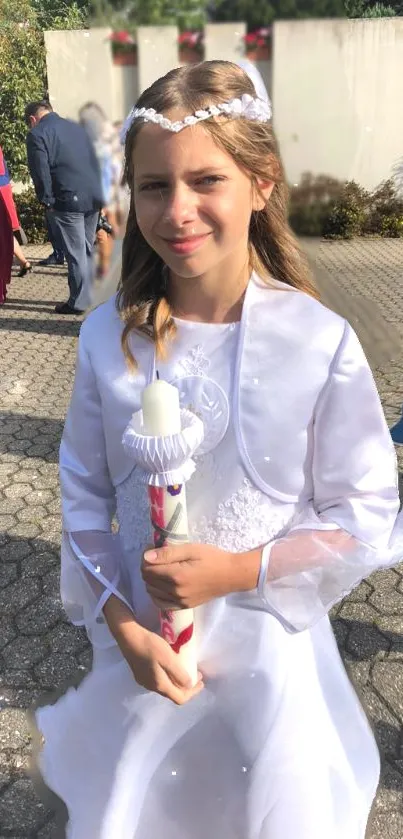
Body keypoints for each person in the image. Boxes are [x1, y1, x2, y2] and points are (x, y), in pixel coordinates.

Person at [34, 61, 403, 839]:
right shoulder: (111, 337)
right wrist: (124, 625)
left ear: (261, 182)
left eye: (206, 180)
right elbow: (84, 492)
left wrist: (239, 570)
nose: (178, 210)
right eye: (154, 186)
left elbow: (365, 513)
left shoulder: (316, 342)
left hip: (268, 662)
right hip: (148, 654)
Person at [25, 101, 104, 315]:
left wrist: (47, 200)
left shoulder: (37, 134)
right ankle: (91, 297)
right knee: (86, 250)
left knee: (76, 253)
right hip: (93, 197)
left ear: (32, 119)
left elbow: (40, 170)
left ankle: (78, 302)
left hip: (67, 200)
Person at [79, 101, 123, 278]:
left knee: (103, 232)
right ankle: (111, 266)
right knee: (106, 232)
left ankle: (108, 268)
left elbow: (108, 173)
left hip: (105, 196)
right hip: (106, 195)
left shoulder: (100, 144)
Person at [0, 145, 33, 277]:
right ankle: (24, 262)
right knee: (6, 232)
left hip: (1, 191)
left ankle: (23, 262)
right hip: (4, 188)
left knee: (5, 232)